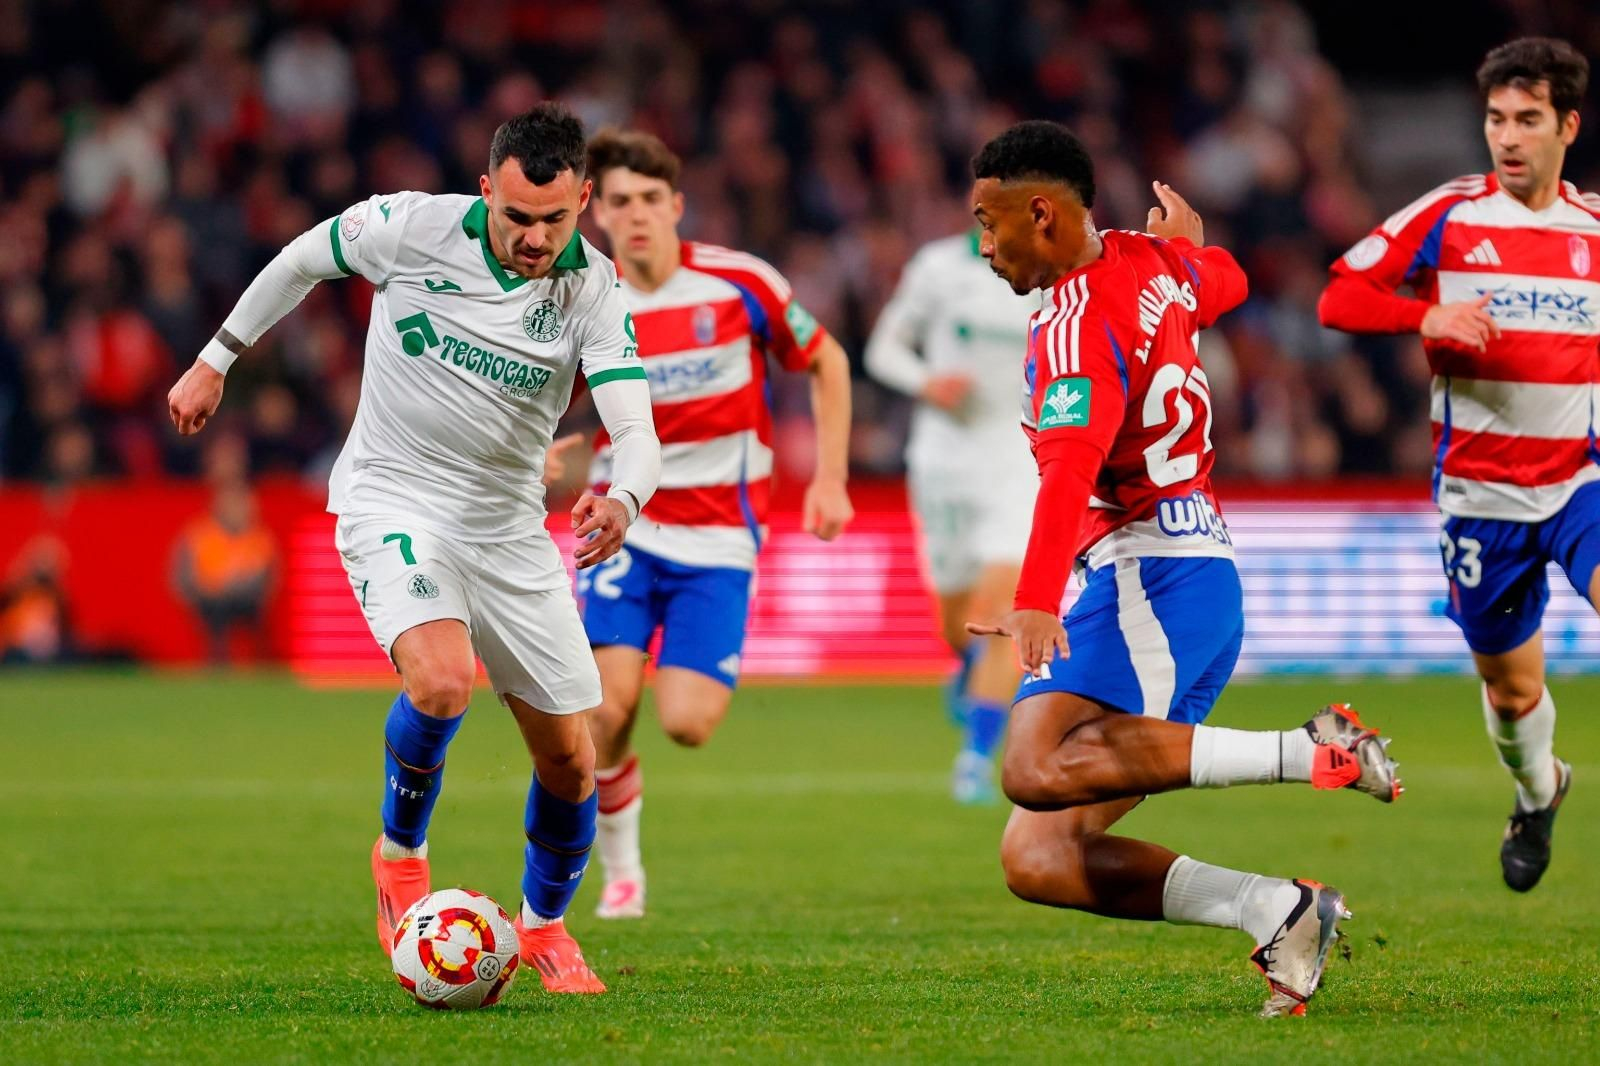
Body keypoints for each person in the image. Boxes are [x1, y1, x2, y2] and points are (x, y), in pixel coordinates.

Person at [165, 104, 661, 993]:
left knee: (570, 756)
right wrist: (216, 359)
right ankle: (401, 854)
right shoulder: (409, 227)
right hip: (394, 495)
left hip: (507, 527)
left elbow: (635, 424)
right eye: (517, 218)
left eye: (555, 219)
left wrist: (624, 495)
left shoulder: (594, 288)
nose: (536, 237)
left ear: (583, 200)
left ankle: (544, 927)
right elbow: (299, 261)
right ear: (485, 192)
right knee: (439, 680)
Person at [965, 120, 1402, 1018]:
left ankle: (1312, 750)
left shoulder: (1078, 321)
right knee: (1036, 855)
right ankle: (1277, 909)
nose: (984, 244)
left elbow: (1069, 468)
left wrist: (1035, 599)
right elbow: (1227, 282)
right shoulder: (1149, 262)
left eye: (988, 221)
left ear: (1039, 212)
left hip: (1147, 574)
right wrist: (1190, 251)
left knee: (1030, 763)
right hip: (1192, 578)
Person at [1318, 38, 1595, 894]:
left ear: (1567, 127)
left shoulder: (1593, 232)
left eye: (1528, 120)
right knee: (1513, 697)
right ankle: (1538, 789)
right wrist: (1424, 318)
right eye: (1495, 119)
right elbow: (1339, 296)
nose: (1508, 138)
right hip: (1481, 500)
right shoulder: (1451, 214)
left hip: (1582, 484)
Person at [559, 127, 854, 920]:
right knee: (606, 709)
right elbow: (572, 409)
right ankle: (621, 870)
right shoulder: (585, 295)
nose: (638, 215)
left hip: (722, 537)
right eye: (619, 201)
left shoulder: (738, 284)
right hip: (626, 524)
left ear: (677, 206)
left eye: (652, 199)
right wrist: (558, 452)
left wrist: (829, 477)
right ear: (598, 214)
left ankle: (626, 794)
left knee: (686, 723)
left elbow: (827, 360)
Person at [866, 228, 1037, 803]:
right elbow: (883, 349)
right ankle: (966, 672)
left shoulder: (1054, 274)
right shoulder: (936, 268)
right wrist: (926, 382)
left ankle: (976, 757)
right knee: (956, 621)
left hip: (1018, 456)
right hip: (944, 463)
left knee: (1000, 607)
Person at [172, 481, 278, 664]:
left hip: (245, 599)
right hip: (209, 600)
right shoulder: (201, 535)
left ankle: (259, 663)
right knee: (216, 608)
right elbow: (186, 576)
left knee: (241, 608)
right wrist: (207, 590)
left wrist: (234, 586)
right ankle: (217, 661)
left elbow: (263, 577)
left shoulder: (258, 537)